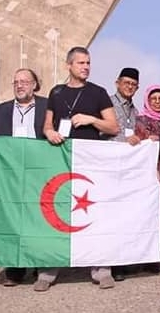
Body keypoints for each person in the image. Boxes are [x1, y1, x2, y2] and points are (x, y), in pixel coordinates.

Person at [42, 46, 120, 290]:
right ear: (69, 65)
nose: (86, 67)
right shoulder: (56, 92)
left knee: (93, 211)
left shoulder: (98, 92)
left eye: (88, 63)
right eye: (81, 63)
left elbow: (113, 127)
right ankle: (49, 268)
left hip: (91, 161)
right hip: (61, 159)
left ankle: (101, 268)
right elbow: (47, 125)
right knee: (57, 208)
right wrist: (50, 132)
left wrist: (92, 119)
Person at [0, 68, 48, 287]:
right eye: (16, 82)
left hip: (39, 172)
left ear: (34, 85)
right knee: (13, 220)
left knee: (37, 218)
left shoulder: (47, 107)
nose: (19, 85)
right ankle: (15, 269)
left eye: (24, 81)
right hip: (10, 175)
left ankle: (40, 264)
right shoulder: (0, 111)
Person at [127, 85, 160, 272]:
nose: (157, 102)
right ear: (147, 101)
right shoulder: (142, 121)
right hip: (153, 171)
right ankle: (153, 258)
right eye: (153, 99)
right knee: (154, 214)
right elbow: (142, 148)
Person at [107, 67, 139, 281]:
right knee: (111, 215)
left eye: (133, 84)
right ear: (117, 82)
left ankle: (123, 259)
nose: (129, 87)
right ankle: (111, 262)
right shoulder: (107, 104)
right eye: (126, 82)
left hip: (127, 170)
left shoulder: (135, 111)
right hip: (109, 168)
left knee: (126, 215)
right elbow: (101, 130)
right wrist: (124, 141)